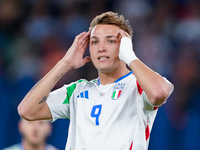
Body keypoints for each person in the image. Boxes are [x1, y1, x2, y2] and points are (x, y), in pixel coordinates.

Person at [17, 11, 174, 150]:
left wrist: (130, 56)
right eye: (95, 41)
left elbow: (159, 93)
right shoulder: (77, 91)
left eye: (110, 40)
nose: (101, 48)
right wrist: (64, 64)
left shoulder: (139, 85)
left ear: (125, 46)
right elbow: (27, 110)